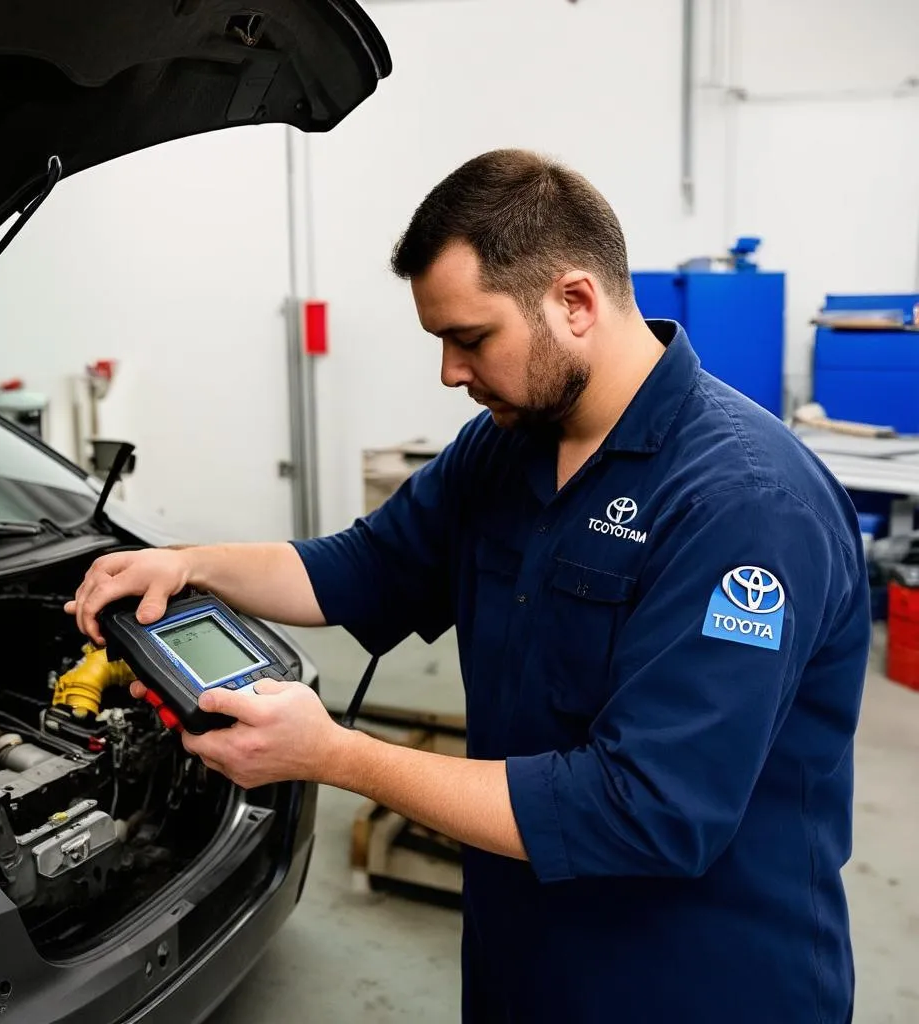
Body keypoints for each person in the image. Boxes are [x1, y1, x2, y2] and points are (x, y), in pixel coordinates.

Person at [67, 149, 869, 1023]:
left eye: (471, 338)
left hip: (695, 980)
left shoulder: (743, 503)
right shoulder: (507, 447)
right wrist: (191, 563)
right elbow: (366, 566)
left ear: (574, 301)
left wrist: (337, 756)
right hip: (522, 958)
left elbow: (650, 810)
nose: (451, 372)